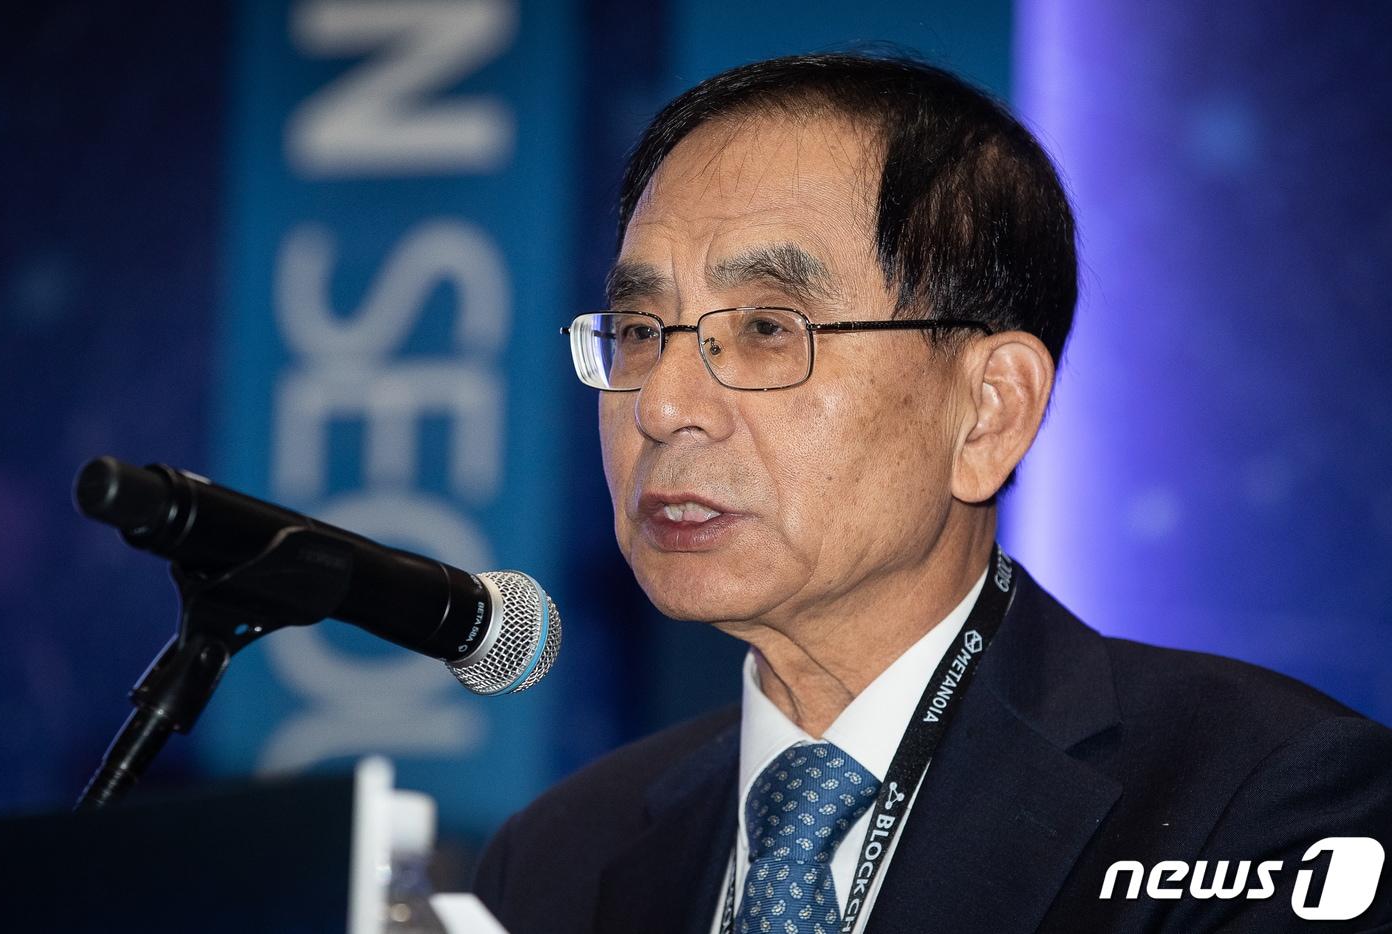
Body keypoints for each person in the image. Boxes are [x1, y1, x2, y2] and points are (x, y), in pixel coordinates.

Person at [472, 53, 1392, 933]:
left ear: (989, 411)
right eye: (640, 330)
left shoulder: (1259, 804)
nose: (664, 404)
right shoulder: (555, 858)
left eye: (765, 327)